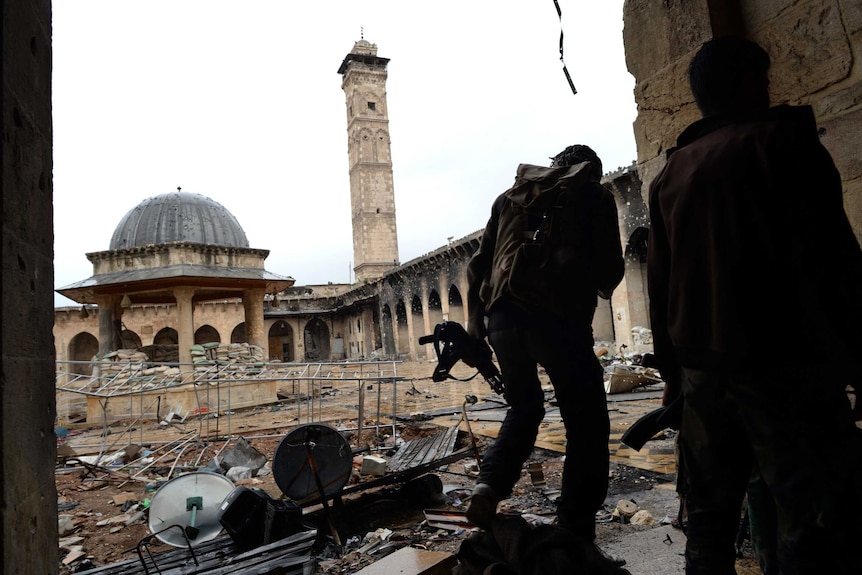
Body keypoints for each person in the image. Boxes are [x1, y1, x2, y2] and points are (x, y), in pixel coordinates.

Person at [647, 36, 862, 574]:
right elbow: (836, 262)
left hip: (702, 375)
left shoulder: (672, 172)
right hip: (782, 367)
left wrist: (674, 375)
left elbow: (661, 287)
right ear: (748, 85)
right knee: (812, 521)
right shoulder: (784, 144)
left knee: (709, 522)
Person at [465, 144, 625, 543]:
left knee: (524, 407)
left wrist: (474, 323)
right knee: (586, 423)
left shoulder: (510, 198)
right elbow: (610, 272)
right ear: (592, 170)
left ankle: (489, 486)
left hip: (501, 319)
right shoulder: (594, 194)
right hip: (557, 321)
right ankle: (574, 530)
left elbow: (477, 264)